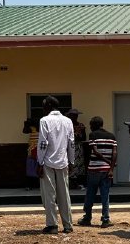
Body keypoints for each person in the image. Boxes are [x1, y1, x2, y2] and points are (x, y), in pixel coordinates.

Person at [37, 96, 75, 234]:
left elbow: (42, 143)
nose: (43, 108)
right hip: (63, 161)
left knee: (49, 194)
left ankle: (52, 225)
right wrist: (72, 161)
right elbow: (71, 143)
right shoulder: (68, 121)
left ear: (49, 105)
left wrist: (39, 162)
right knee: (64, 194)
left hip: (47, 162)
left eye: (43, 105)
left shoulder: (44, 121)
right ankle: (68, 225)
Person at [77, 116, 117, 228]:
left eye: (90, 125)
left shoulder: (93, 135)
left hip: (94, 169)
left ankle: (87, 218)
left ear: (95, 125)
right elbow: (115, 153)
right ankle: (105, 219)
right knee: (105, 195)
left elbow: (95, 151)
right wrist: (111, 167)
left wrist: (106, 160)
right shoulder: (112, 136)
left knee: (90, 194)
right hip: (106, 171)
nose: (90, 127)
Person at [66, 108, 86, 190]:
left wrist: (79, 134)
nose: (74, 117)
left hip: (78, 147)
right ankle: (71, 183)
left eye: (76, 115)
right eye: (72, 115)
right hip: (68, 147)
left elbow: (84, 138)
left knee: (78, 165)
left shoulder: (81, 125)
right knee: (70, 164)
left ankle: (77, 183)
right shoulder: (66, 125)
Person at [22, 118, 40, 190]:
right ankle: (30, 185)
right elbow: (24, 131)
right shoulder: (32, 128)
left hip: (39, 149)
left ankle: (37, 184)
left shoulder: (42, 128)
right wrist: (26, 124)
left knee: (39, 167)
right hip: (32, 149)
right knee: (30, 168)